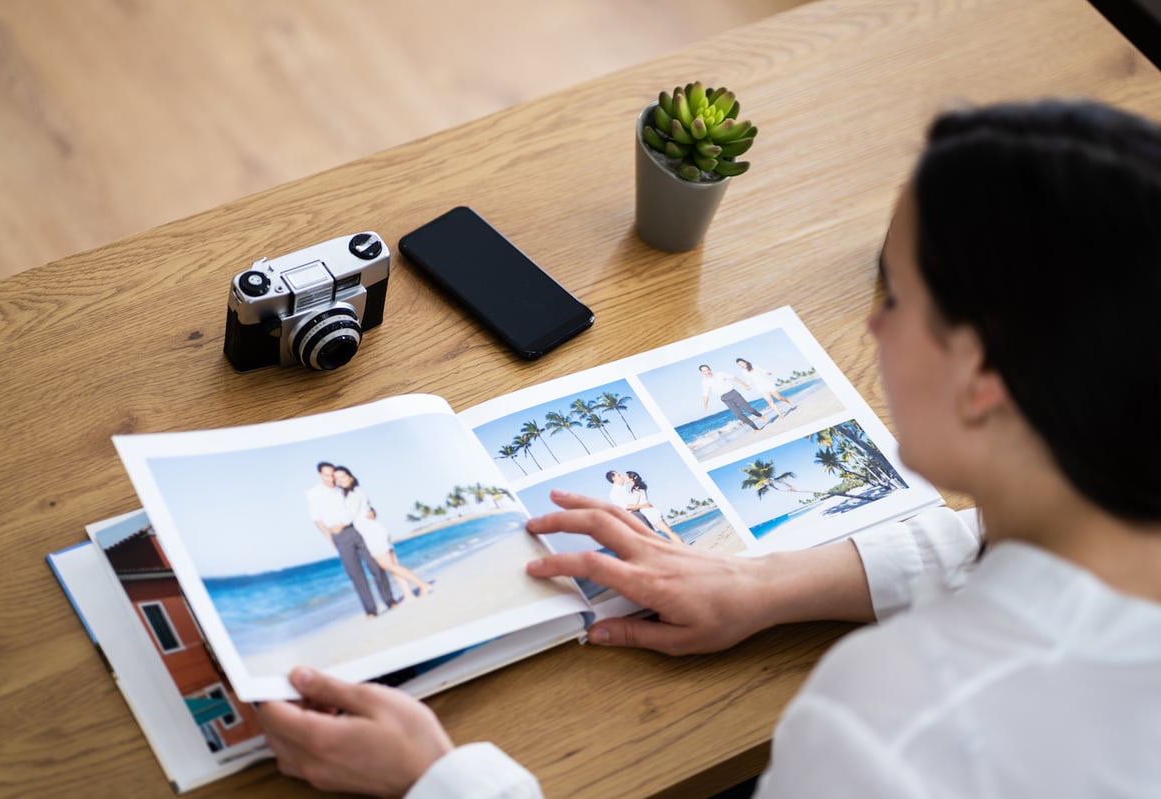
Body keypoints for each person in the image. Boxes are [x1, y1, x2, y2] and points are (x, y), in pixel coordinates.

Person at [260, 100, 1161, 797]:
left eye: (896, 295)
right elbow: (990, 548)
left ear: (983, 377)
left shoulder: (902, 722)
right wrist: (765, 582)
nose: (869, 324)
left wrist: (436, 779)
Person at [336, 466, 432, 601]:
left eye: (343, 476)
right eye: (338, 478)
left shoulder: (354, 494)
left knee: (387, 565)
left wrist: (336, 528)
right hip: (376, 529)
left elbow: (348, 517)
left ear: (350, 477)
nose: (340, 480)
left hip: (372, 533)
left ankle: (423, 585)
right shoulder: (357, 492)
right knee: (393, 564)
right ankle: (408, 594)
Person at [325, 464, 398, 617]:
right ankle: (370, 610)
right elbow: (317, 520)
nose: (334, 478)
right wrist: (331, 536)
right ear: (321, 476)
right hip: (341, 535)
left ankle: (389, 600)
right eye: (330, 475)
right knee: (355, 573)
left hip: (359, 530)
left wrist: (373, 512)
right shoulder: (318, 495)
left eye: (336, 475)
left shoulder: (351, 490)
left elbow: (366, 506)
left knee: (376, 566)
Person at [699, 364, 767, 430]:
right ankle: (755, 428)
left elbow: (734, 377)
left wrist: (744, 385)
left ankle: (760, 415)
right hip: (725, 398)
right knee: (739, 415)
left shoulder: (720, 374)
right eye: (704, 371)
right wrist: (705, 405)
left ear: (710, 369)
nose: (707, 372)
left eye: (707, 370)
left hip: (733, 393)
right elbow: (705, 393)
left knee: (749, 410)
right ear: (702, 372)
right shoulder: (704, 382)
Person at [624, 470, 683, 545]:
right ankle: (685, 548)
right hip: (652, 511)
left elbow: (630, 507)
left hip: (649, 513)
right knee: (669, 532)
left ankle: (686, 549)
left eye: (625, 476)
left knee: (669, 532)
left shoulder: (636, 488)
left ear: (631, 478)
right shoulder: (639, 487)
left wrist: (641, 506)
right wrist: (644, 505)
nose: (624, 478)